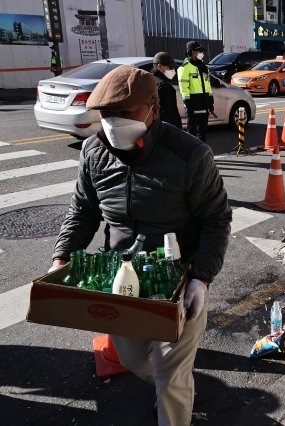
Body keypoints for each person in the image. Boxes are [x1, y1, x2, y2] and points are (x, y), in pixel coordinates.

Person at [49, 65, 232, 426]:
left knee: (169, 370)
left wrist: (202, 278)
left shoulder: (189, 155)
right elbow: (83, 211)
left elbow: (216, 219)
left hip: (178, 280)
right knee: (131, 357)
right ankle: (177, 388)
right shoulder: (93, 152)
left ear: (154, 109)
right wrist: (61, 258)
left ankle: (175, 398)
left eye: (125, 112)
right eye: (106, 115)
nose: (114, 122)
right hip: (120, 279)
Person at [177, 41, 214, 143]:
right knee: (191, 133)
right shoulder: (184, 68)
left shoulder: (204, 67)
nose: (202, 53)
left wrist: (211, 102)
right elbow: (183, 88)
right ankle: (191, 155)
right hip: (193, 104)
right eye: (200, 51)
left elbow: (208, 86)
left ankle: (202, 154)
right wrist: (188, 104)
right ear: (193, 52)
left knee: (203, 133)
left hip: (204, 102)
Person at [152, 52, 182, 129]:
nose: (173, 71)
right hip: (166, 130)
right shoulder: (164, 86)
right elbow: (168, 115)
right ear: (159, 66)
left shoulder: (150, 81)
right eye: (170, 68)